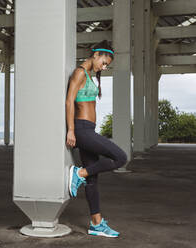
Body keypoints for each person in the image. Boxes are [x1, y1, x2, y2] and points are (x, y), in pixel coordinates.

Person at [65, 40, 128, 238]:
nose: (105, 65)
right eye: (104, 61)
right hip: (82, 130)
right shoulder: (80, 73)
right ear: (96, 54)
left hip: (88, 128)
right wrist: (71, 130)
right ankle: (79, 173)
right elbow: (69, 101)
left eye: (107, 64)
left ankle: (96, 223)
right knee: (120, 158)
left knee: (93, 180)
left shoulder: (89, 75)